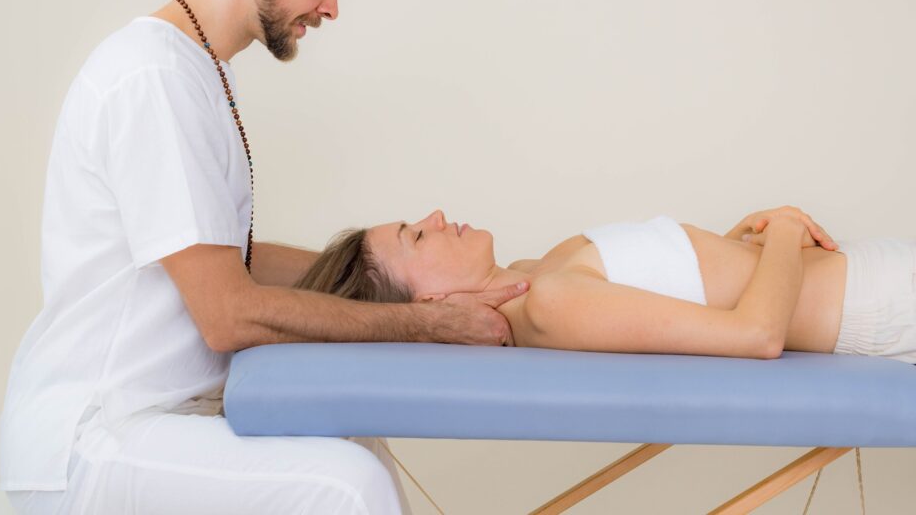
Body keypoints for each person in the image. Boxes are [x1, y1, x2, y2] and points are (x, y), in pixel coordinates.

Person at [0, 0, 528, 515]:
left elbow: (231, 261)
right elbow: (227, 313)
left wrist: (404, 275)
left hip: (157, 416)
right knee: (344, 484)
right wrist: (425, 322)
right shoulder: (152, 78)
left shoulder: (194, 72)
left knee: (357, 441)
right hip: (94, 436)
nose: (330, 8)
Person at [295, 205, 916, 364]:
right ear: (429, 302)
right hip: (877, 303)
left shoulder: (539, 272)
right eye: (417, 237)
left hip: (873, 277)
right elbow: (756, 335)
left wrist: (747, 238)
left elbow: (687, 281)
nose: (435, 217)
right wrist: (782, 232)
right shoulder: (551, 304)